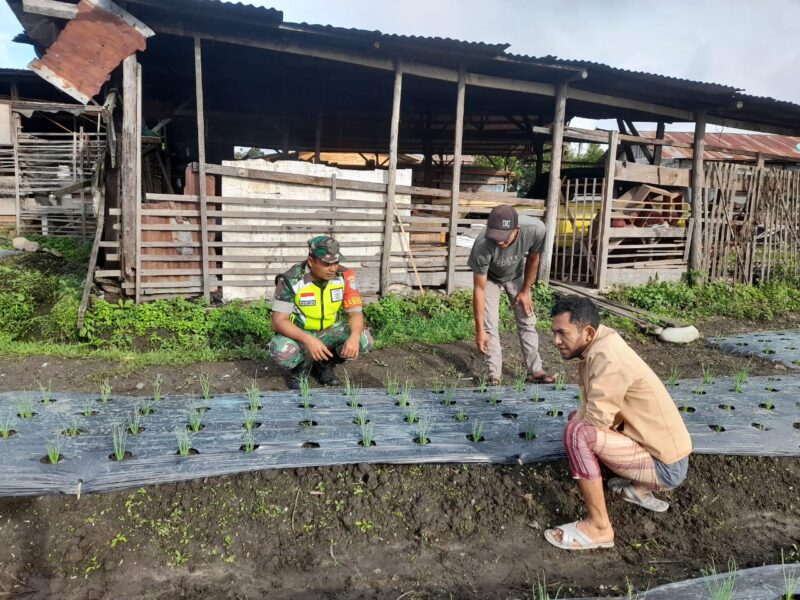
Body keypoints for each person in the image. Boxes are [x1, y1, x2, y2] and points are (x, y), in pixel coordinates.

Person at [544, 296, 692, 551]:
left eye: (562, 333)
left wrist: (575, 435)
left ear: (588, 332)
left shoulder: (608, 357)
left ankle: (600, 528)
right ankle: (636, 489)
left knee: (577, 433)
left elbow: (595, 420)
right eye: (554, 332)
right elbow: (592, 407)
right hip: (659, 451)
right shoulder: (601, 344)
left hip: (666, 466)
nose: (556, 340)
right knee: (575, 421)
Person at [269, 235, 373, 389]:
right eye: (326, 264)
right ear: (311, 261)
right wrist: (309, 340)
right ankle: (299, 369)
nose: (333, 268)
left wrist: (355, 336)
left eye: (336, 262)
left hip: (329, 331)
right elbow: (279, 321)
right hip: (300, 333)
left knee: (364, 340)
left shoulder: (344, 277)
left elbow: (355, 313)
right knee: (281, 351)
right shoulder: (291, 280)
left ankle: (325, 364)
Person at [468, 204, 554, 385]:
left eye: (504, 237)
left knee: (527, 319)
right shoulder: (482, 246)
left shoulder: (536, 230)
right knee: (490, 325)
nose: (499, 242)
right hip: (490, 279)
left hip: (516, 275)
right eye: (495, 236)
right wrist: (479, 330)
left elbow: (534, 258)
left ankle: (535, 370)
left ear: (517, 229)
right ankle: (494, 375)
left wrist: (525, 291)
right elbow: (479, 289)